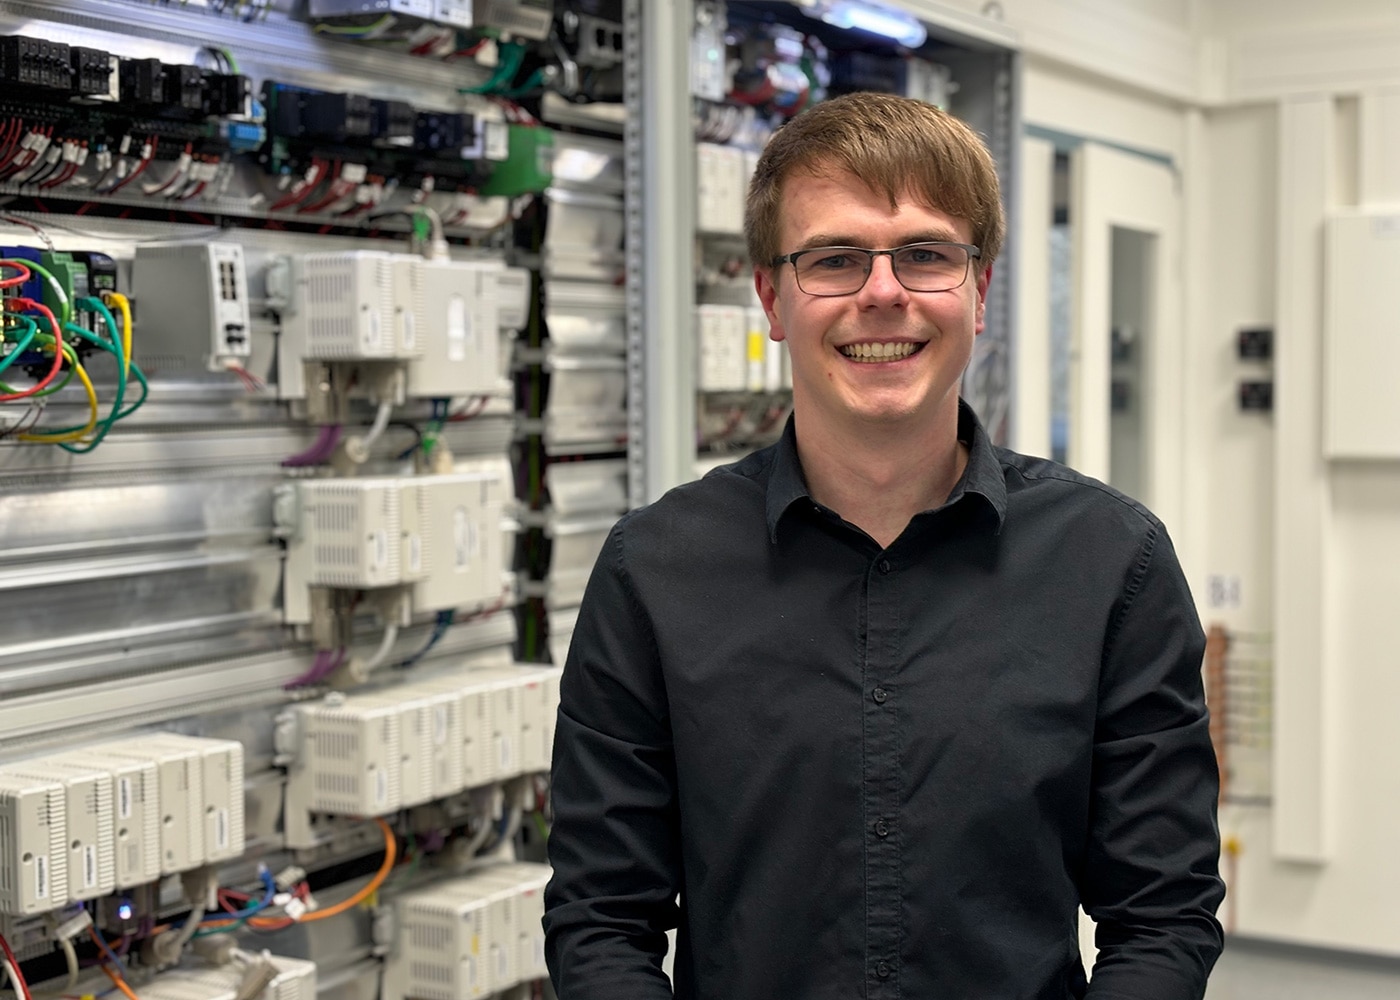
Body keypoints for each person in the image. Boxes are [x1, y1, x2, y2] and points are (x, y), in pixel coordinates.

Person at [543, 91, 1224, 1000]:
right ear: (771, 298)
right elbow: (601, 922)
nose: (883, 293)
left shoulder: (1113, 565)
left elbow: (1163, 916)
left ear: (979, 292)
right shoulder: (653, 573)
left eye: (926, 255)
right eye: (833, 258)